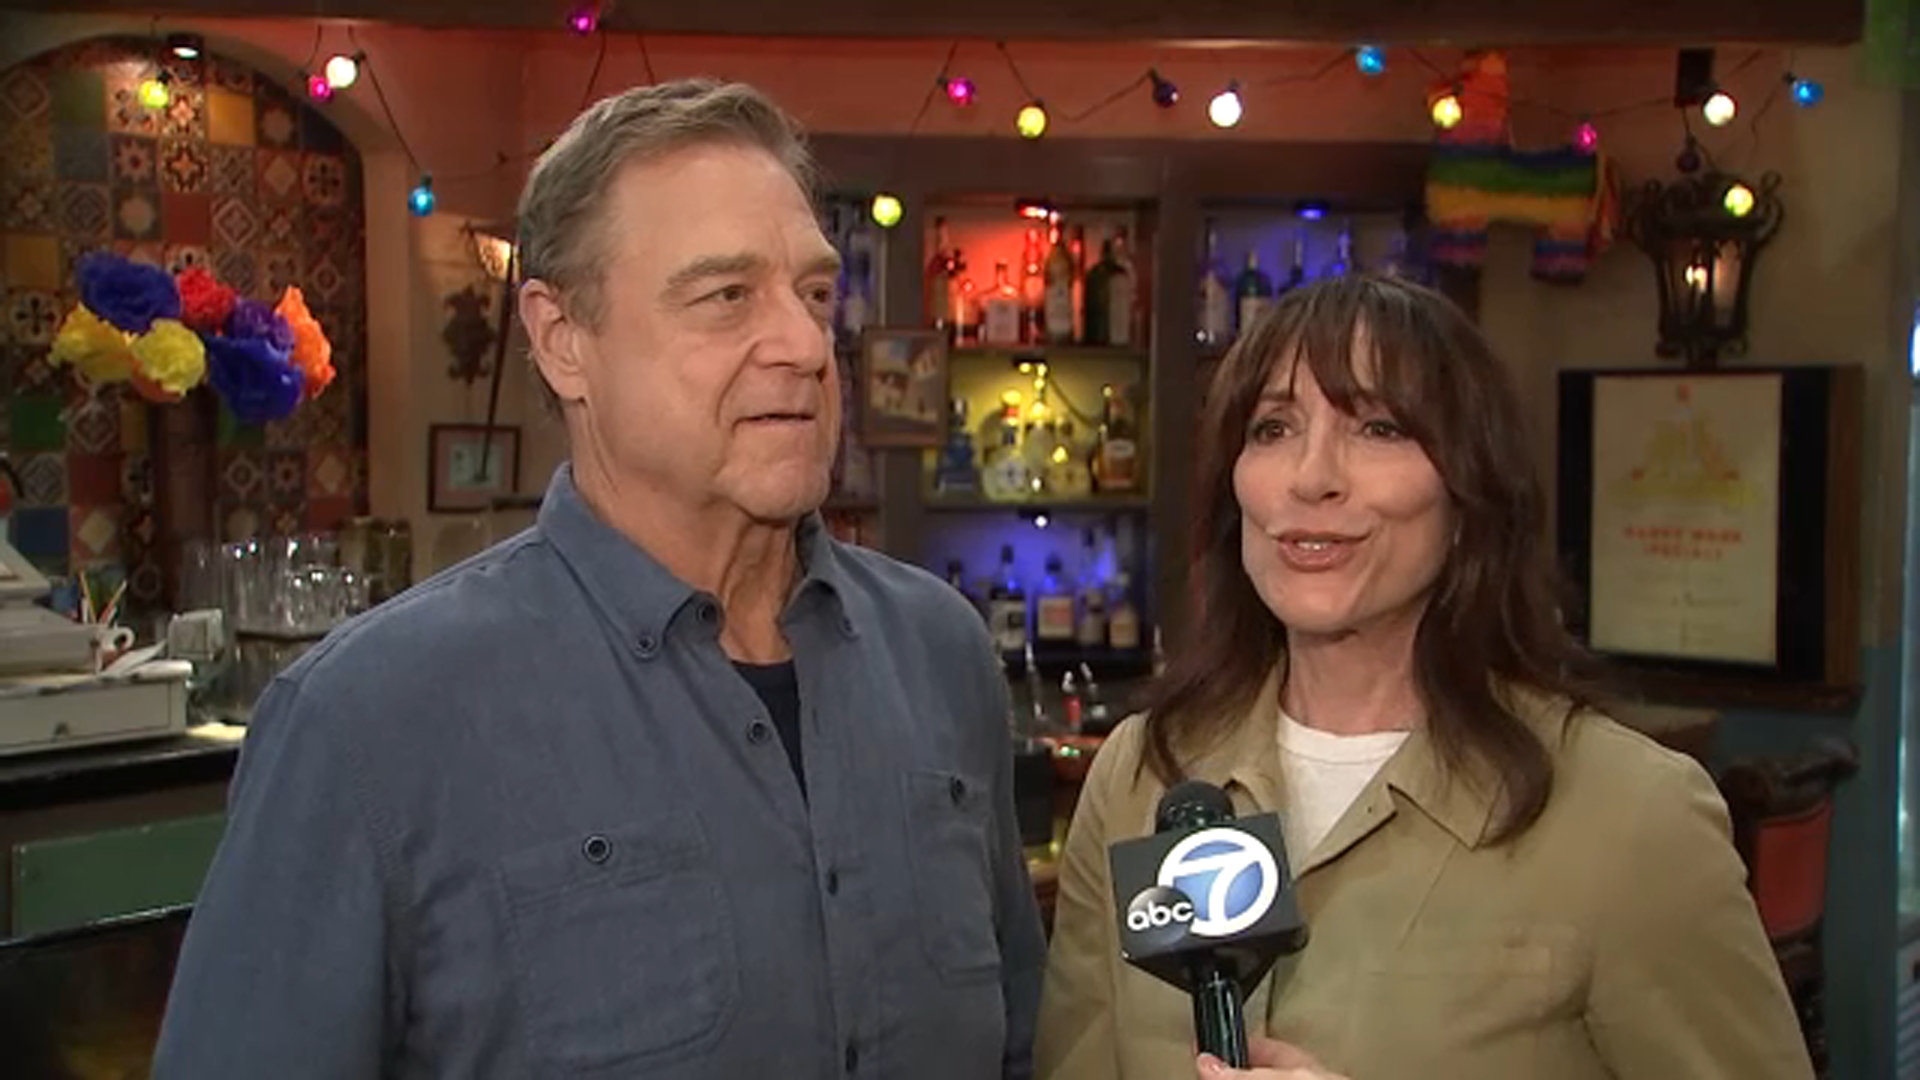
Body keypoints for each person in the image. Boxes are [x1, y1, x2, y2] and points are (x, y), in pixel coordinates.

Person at [155, 79, 1045, 1078]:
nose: (806, 346)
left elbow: (1020, 1045)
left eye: (814, 294)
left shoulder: (941, 654)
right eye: (726, 296)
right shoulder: (368, 721)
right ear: (562, 339)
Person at [1033, 274, 1813, 1080]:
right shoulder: (1140, 775)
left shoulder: (1632, 816)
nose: (1312, 476)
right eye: (1273, 428)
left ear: (1469, 490)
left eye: (1378, 427)